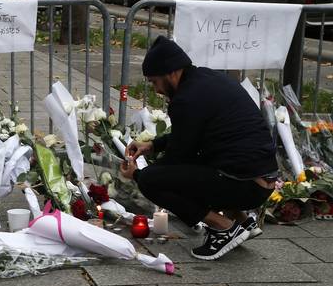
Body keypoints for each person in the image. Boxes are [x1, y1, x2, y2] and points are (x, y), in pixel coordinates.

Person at [119, 36, 278, 261]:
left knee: (151, 180)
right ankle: (243, 221)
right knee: (204, 162)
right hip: (260, 179)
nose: (156, 90)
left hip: (244, 185)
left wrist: (137, 174)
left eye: (155, 82)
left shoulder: (186, 99)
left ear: (170, 73)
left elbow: (177, 159)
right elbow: (191, 135)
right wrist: (153, 145)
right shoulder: (207, 79)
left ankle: (223, 228)